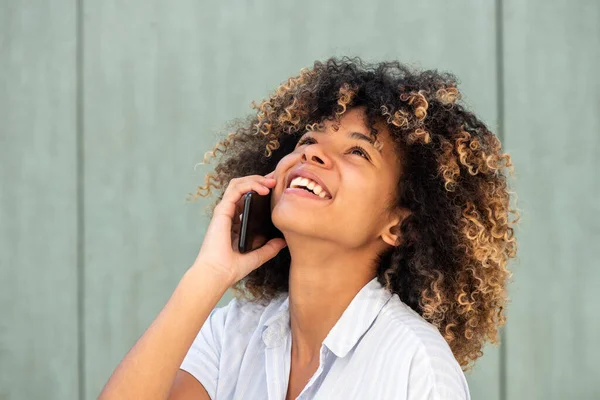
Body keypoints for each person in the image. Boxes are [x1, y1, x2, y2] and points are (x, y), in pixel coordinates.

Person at [99, 56, 519, 399]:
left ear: (398, 226)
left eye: (357, 150)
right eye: (308, 140)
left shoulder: (415, 368)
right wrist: (207, 277)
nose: (314, 154)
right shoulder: (232, 335)